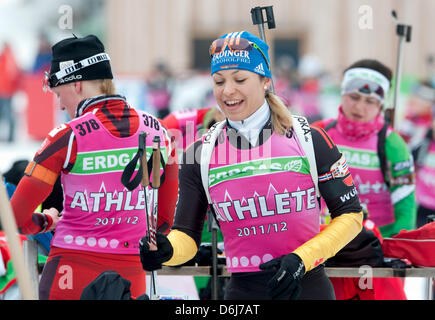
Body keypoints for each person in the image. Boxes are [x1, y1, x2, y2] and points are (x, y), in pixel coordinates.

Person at [139, 31, 364, 300]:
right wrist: (167, 250)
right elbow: (187, 236)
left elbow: (351, 216)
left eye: (240, 79)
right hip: (243, 294)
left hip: (306, 288)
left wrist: (301, 260)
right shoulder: (201, 153)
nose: (228, 91)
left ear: (265, 81)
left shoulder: (309, 138)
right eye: (219, 81)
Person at [9, 34, 179, 300]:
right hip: (131, 276)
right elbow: (164, 223)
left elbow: (16, 218)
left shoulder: (67, 136)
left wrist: (46, 221)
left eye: (58, 93)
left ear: (76, 84)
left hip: (71, 272)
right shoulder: (160, 131)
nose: (60, 103)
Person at [313, 59, 417, 238]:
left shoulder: (393, 143)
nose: (359, 107)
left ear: (380, 106)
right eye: (354, 97)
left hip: (376, 244)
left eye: (370, 101)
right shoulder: (318, 132)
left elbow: (406, 206)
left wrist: (396, 247)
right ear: (342, 94)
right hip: (325, 240)